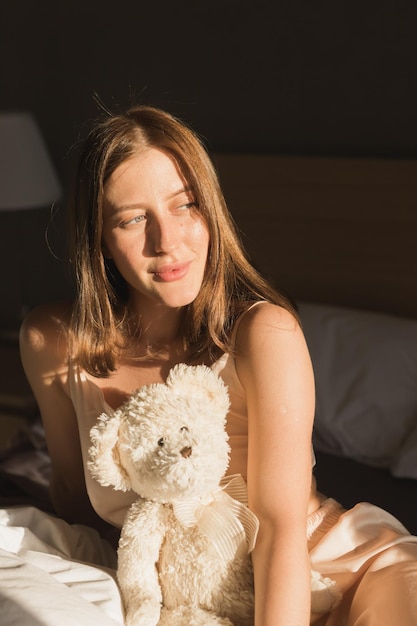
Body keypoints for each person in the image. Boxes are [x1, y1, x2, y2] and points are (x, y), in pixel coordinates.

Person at [20, 104, 417, 626]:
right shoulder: (53, 342)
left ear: (211, 209)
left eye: (185, 205)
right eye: (134, 218)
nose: (168, 243)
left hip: (336, 575)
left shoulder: (263, 334)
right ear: (99, 237)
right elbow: (73, 500)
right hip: (196, 601)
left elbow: (277, 529)